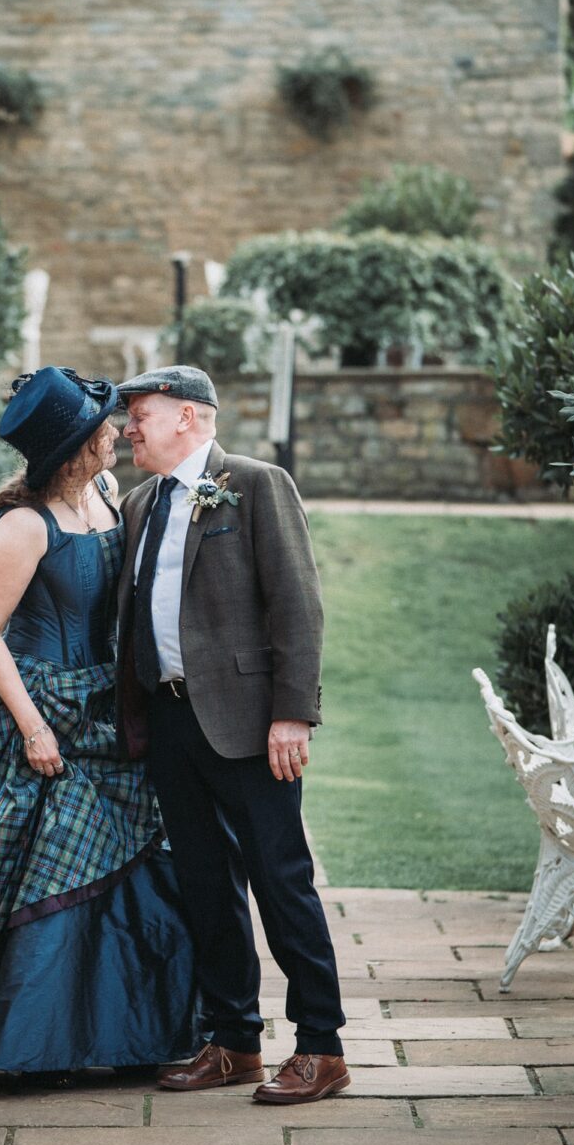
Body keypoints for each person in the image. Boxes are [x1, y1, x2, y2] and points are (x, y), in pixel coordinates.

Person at [0, 365, 201, 1077]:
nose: (117, 433)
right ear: (77, 443)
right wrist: (35, 728)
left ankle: (133, 1035)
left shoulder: (107, 495)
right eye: (105, 426)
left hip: (108, 705)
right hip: (42, 710)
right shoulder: (24, 524)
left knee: (139, 860)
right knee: (49, 863)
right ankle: (39, 1045)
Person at [114, 364, 349, 1104]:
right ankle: (233, 1041)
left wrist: (293, 711)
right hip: (172, 721)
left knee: (282, 882)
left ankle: (322, 1047)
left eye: (140, 415)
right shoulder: (138, 503)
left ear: (189, 417)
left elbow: (298, 606)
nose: (128, 430)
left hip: (250, 724)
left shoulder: (254, 483)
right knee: (205, 886)